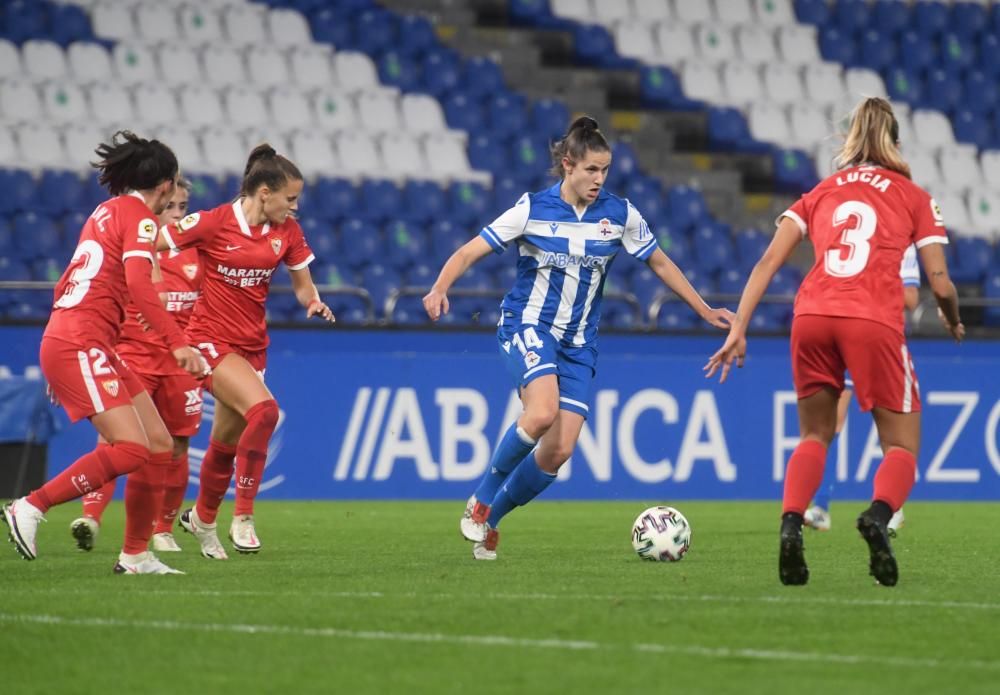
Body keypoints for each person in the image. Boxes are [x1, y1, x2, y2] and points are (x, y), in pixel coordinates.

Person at [423, 116, 733, 560]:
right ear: (568, 165)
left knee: (558, 450)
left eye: (605, 170)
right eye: (591, 169)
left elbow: (660, 263)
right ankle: (480, 501)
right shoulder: (531, 209)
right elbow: (470, 249)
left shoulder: (620, 214)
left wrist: (703, 309)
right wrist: (439, 287)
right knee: (542, 411)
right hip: (528, 325)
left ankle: (491, 522)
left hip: (579, 344)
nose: (599, 179)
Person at [705, 98, 964, 587]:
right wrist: (952, 320)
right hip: (872, 319)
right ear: (896, 141)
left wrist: (739, 326)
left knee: (814, 436)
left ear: (850, 140)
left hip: (812, 316)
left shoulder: (821, 191)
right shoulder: (913, 196)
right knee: (900, 446)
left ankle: (790, 524)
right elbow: (942, 284)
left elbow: (766, 263)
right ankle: (878, 516)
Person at [1, 131, 208, 574]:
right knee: (132, 449)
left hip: (79, 340)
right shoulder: (141, 218)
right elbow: (139, 283)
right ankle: (31, 507)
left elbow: (69, 279)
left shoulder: (104, 211)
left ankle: (135, 555)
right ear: (167, 185)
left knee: (158, 443)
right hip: (81, 341)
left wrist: (59, 358)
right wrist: (178, 342)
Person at [156, 143, 334, 560]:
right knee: (265, 412)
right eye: (290, 199)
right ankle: (245, 516)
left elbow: (303, 283)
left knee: (223, 443)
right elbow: (152, 243)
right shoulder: (214, 222)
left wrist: (312, 302)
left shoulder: (287, 231)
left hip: (253, 347)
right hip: (209, 339)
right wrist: (141, 277)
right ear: (264, 193)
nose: (295, 207)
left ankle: (201, 518)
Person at [70, 177, 204, 553]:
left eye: (183, 207)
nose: (176, 214)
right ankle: (91, 518)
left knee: (178, 444)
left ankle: (162, 528)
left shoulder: (195, 250)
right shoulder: (131, 242)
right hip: (133, 354)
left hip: (179, 360)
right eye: (171, 206)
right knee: (116, 437)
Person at [804, 243, 920, 535]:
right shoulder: (848, 235)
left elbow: (910, 297)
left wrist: (864, 288)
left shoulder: (901, 242)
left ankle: (891, 508)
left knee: (889, 429)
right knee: (831, 422)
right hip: (842, 333)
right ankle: (821, 507)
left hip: (878, 337)